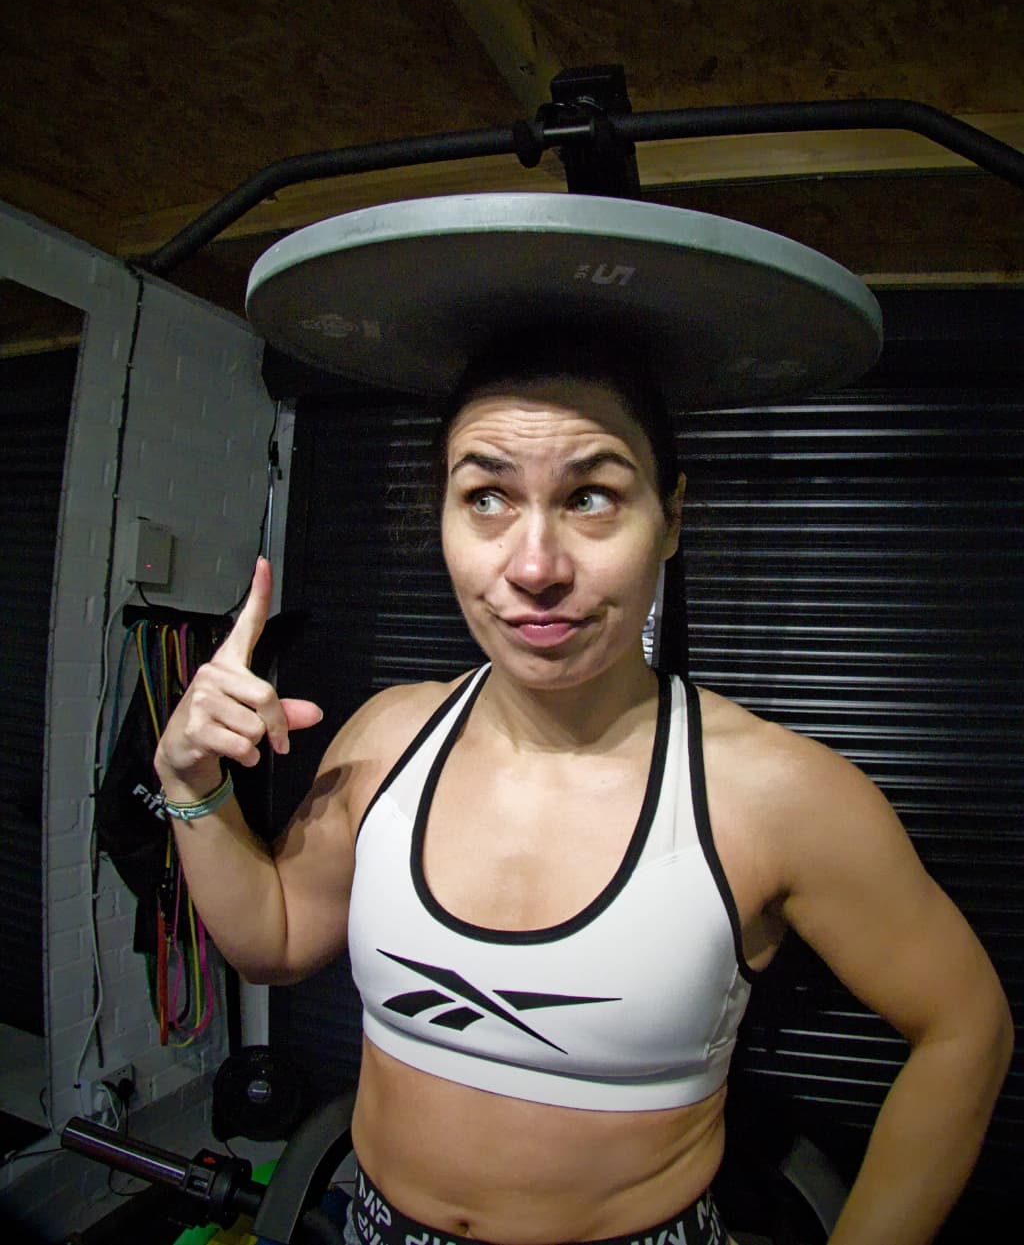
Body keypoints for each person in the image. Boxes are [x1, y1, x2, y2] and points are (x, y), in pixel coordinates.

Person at [154, 330, 1012, 1245]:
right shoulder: (386, 737)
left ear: (670, 519)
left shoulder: (775, 794)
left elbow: (966, 1027)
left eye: (591, 496)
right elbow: (276, 939)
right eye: (486, 497)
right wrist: (188, 780)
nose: (534, 568)